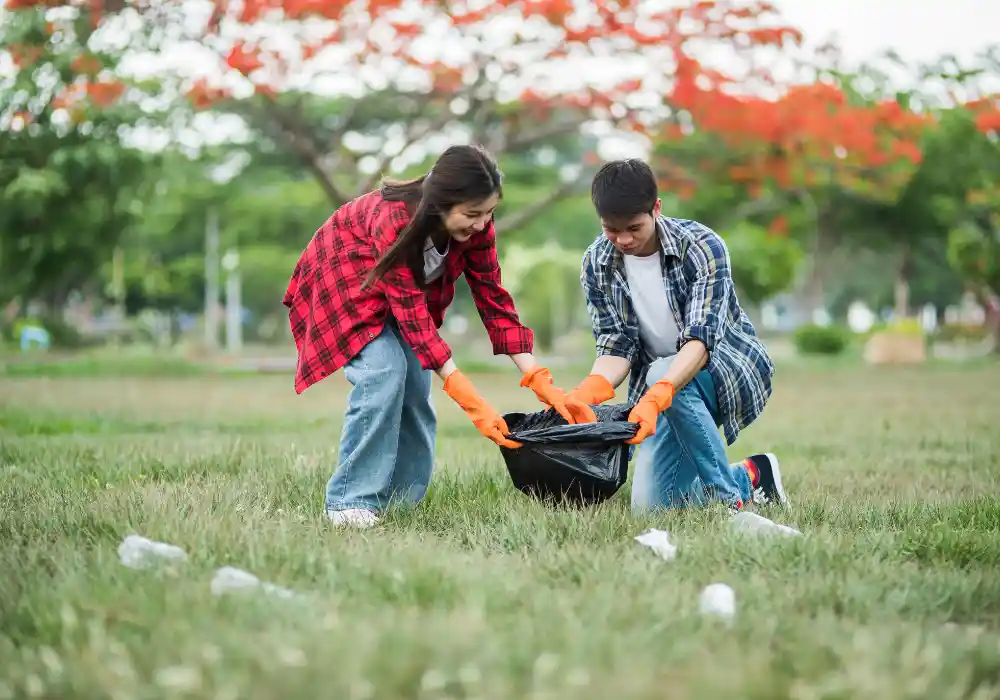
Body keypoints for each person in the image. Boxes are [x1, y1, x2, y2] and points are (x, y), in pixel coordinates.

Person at [282, 144, 594, 529]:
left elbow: (492, 297)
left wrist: (539, 379)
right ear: (440, 204)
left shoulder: (478, 228)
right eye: (472, 214)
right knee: (384, 372)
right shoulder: (393, 218)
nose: (481, 224)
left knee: (414, 388)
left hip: (403, 299)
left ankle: (400, 502)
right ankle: (349, 501)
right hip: (348, 287)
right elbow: (410, 310)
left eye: (489, 212)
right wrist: (469, 396)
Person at [565, 158, 788, 513]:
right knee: (652, 507)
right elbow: (616, 344)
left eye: (634, 227)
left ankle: (729, 502)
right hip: (660, 391)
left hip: (723, 371)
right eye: (611, 229)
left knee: (659, 372)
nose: (623, 239)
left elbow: (701, 341)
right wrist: (586, 393)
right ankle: (751, 476)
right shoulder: (596, 263)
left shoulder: (701, 246)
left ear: (656, 208)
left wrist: (663, 389)